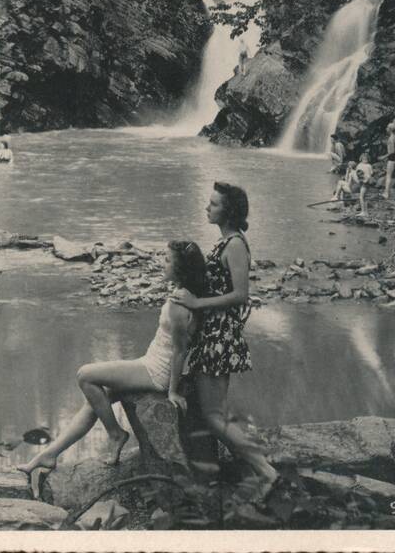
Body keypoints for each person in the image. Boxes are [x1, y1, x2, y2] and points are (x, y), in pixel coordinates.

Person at [18, 240, 206, 474]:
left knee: (85, 375)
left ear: (181, 269)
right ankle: (49, 454)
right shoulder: (183, 295)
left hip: (157, 371)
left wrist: (173, 391)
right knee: (94, 403)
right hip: (151, 361)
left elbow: (180, 350)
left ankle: (116, 435)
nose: (162, 263)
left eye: (167, 260)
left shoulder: (180, 303)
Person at [172, 181, 278, 490]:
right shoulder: (227, 241)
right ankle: (256, 470)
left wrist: (196, 304)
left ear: (228, 211)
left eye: (214, 204)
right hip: (213, 334)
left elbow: (241, 295)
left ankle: (266, 470)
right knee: (216, 414)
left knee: (215, 417)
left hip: (220, 336)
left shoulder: (234, 244)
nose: (207, 207)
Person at [355, 152, 373, 218]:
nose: (365, 160)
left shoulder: (368, 166)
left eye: (366, 158)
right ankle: (366, 212)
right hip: (361, 182)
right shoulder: (359, 165)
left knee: (361, 197)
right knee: (364, 197)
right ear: (361, 159)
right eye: (364, 158)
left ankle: (363, 212)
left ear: (368, 159)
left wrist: (366, 180)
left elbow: (369, 175)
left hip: (366, 183)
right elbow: (357, 173)